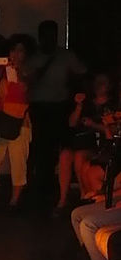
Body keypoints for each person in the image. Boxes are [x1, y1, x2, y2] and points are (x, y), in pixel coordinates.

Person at [28, 20, 87, 205]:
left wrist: (75, 92)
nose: (48, 39)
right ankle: (41, 187)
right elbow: (26, 81)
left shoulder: (65, 56)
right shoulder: (34, 58)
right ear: (40, 37)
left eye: (52, 35)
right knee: (40, 148)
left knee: (60, 148)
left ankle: (57, 189)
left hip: (60, 107)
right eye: (45, 35)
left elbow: (83, 73)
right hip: (39, 107)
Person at [0, 34, 35, 209]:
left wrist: (18, 70)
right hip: (1, 121)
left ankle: (15, 200)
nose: (15, 54)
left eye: (20, 50)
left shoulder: (29, 70)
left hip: (21, 122)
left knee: (18, 161)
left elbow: (27, 88)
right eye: (13, 50)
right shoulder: (2, 69)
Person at [58, 74, 117, 208]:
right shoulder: (87, 103)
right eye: (97, 82)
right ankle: (62, 199)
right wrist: (79, 106)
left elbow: (112, 130)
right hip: (80, 141)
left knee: (80, 157)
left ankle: (83, 195)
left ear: (109, 86)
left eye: (103, 82)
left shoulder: (112, 106)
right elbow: (72, 124)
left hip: (97, 145)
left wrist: (93, 125)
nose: (99, 85)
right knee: (65, 155)